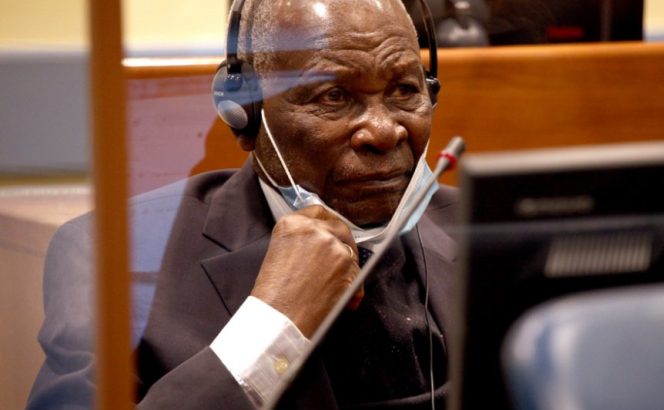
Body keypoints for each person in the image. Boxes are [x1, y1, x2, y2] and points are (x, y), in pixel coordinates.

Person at [28, 0, 458, 408]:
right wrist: (272, 325)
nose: (383, 132)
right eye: (334, 96)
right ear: (244, 112)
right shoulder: (112, 255)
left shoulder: (473, 224)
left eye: (405, 90)